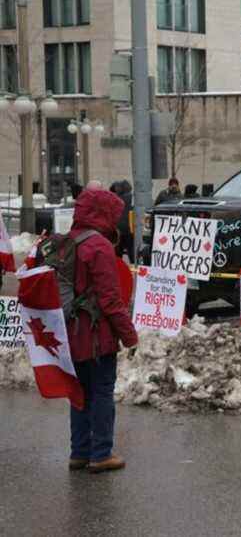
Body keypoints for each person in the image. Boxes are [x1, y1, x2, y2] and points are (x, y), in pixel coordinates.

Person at [66, 189, 138, 473]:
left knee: (79, 393)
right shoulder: (99, 246)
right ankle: (101, 454)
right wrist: (129, 334)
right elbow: (110, 299)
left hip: (69, 333)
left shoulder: (67, 242)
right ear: (102, 214)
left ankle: (79, 452)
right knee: (102, 392)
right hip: (97, 336)